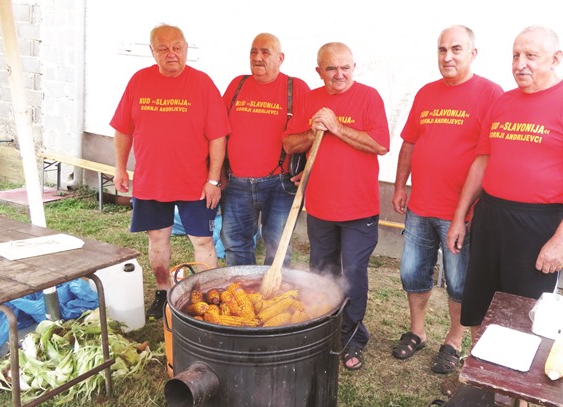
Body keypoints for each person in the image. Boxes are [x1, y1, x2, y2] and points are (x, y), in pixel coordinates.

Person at [446, 26, 563, 407]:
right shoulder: (503, 103)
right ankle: (482, 378)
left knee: (524, 313)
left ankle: (516, 399)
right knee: (480, 305)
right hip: (490, 217)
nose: (520, 65)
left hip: (538, 225)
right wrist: (460, 217)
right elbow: (482, 161)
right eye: (516, 56)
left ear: (555, 59)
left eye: (530, 57)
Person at [391, 25, 503, 374]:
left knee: (459, 282)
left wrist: (467, 209)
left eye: (456, 49)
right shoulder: (426, 93)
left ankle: (454, 340)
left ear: (473, 53)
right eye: (442, 50)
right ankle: (417, 331)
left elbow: (491, 155)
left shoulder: (490, 94)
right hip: (420, 207)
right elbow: (409, 143)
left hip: (462, 213)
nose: (448, 56)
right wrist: (399, 186)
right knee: (412, 273)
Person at [111, 24, 231, 319]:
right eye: (163, 48)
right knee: (157, 240)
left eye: (177, 47)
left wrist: (214, 179)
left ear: (187, 47)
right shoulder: (139, 81)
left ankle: (204, 299)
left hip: (195, 184)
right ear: (152, 51)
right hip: (152, 182)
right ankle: (164, 292)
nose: (171, 54)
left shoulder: (202, 84)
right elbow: (123, 129)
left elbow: (218, 136)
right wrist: (120, 168)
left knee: (202, 242)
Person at [283, 42, 390, 371]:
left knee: (353, 274)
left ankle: (353, 337)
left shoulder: (369, 97)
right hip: (319, 207)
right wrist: (311, 131)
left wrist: (336, 127)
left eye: (345, 67)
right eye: (331, 68)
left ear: (354, 67)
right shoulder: (310, 99)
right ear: (319, 71)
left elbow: (380, 144)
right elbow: (289, 143)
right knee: (322, 272)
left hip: (359, 210)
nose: (339, 74)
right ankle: (326, 329)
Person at [221, 33, 310, 266]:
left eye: (265, 52)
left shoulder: (296, 88)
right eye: (253, 51)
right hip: (235, 183)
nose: (258, 57)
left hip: (280, 184)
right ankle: (242, 297)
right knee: (236, 245)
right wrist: (217, 172)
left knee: (278, 248)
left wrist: (310, 170)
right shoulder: (237, 84)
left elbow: (314, 134)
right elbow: (218, 131)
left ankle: (273, 299)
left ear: (280, 58)